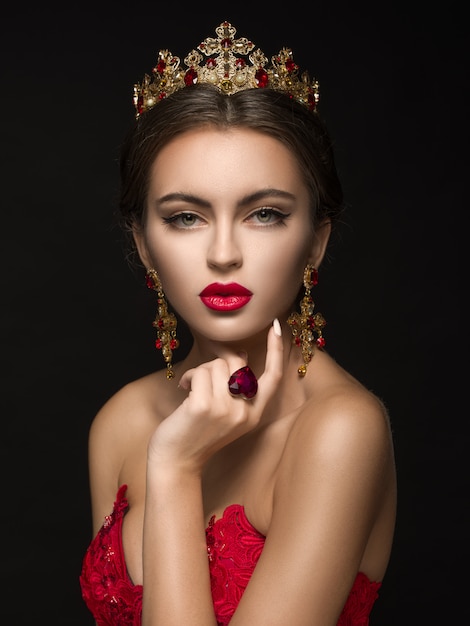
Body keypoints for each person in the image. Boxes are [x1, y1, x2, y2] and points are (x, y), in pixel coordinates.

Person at [79, 20, 397, 626]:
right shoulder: (122, 422)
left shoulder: (339, 429)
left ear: (316, 241)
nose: (224, 253)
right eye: (185, 218)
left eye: (265, 214)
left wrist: (174, 469)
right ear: (144, 246)